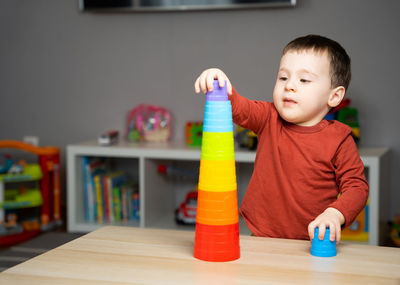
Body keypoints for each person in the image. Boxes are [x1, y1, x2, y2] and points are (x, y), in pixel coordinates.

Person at [194, 35, 369, 244]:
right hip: (262, 236)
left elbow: (357, 187)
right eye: (283, 77)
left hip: (314, 241)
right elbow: (239, 107)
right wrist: (219, 83)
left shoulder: (340, 138)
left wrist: (334, 214)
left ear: (334, 96)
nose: (289, 86)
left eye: (304, 80)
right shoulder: (268, 117)